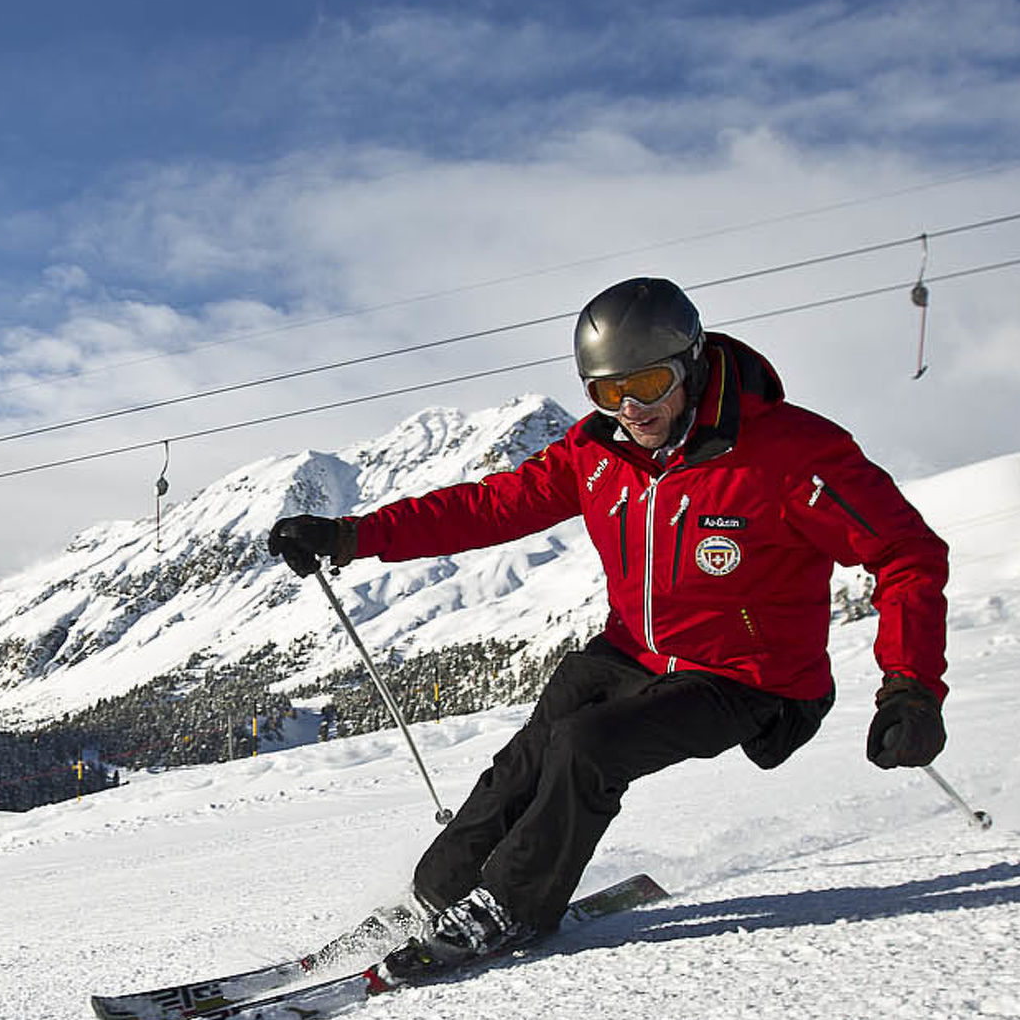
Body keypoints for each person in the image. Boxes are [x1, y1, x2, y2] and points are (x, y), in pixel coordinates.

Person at [267, 276, 950, 979]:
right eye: (607, 391)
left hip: (753, 676)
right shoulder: (600, 455)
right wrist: (353, 536)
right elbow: (490, 506)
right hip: (636, 653)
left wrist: (910, 686)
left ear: (691, 361)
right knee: (529, 755)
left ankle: (514, 906)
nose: (631, 408)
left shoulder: (791, 453)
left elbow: (906, 555)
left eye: (649, 382)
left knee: (588, 746)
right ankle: (436, 893)